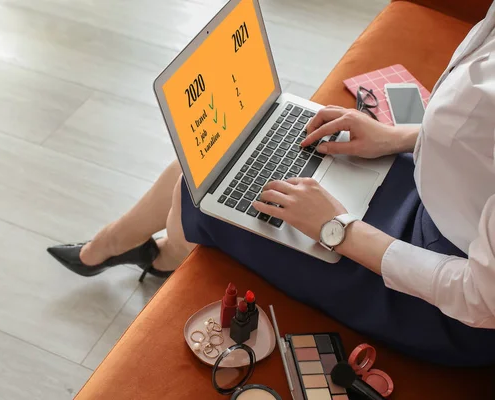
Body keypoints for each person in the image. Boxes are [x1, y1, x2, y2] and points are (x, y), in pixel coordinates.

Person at [47, 4, 495, 366]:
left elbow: (479, 297)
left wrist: (336, 228)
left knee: (203, 188)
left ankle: (141, 251)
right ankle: (130, 246)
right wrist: (396, 137)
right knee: (232, 154)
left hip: (440, 296)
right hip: (439, 200)